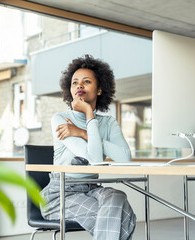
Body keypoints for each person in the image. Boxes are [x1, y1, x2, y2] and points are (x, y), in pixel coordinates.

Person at [40, 55, 136, 240]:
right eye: (74, 82)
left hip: (90, 189)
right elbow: (94, 159)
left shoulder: (108, 123)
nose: (79, 86)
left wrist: (83, 130)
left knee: (118, 196)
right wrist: (89, 114)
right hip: (60, 195)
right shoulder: (60, 120)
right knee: (121, 217)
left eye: (86, 81)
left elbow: (125, 158)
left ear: (99, 90)